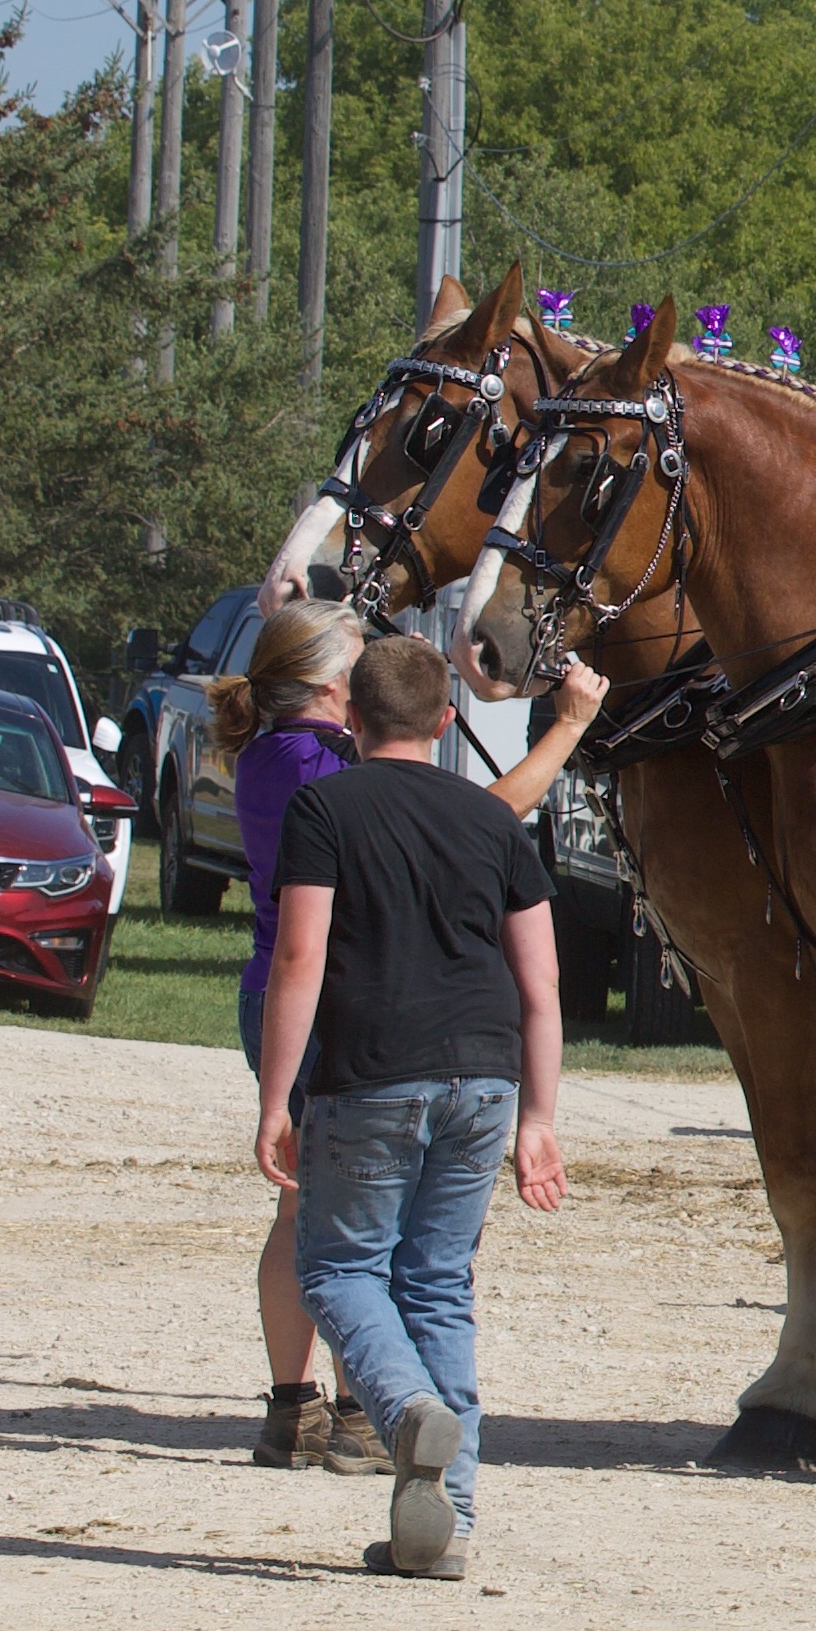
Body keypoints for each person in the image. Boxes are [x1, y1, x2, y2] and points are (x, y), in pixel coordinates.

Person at [226, 611, 605, 1470]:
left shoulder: (281, 753)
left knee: (313, 1209)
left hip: (298, 995)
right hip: (342, 1003)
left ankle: (303, 1408)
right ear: (334, 689)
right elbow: (478, 819)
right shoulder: (317, 767)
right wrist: (568, 729)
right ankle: (371, 1410)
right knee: (366, 1235)